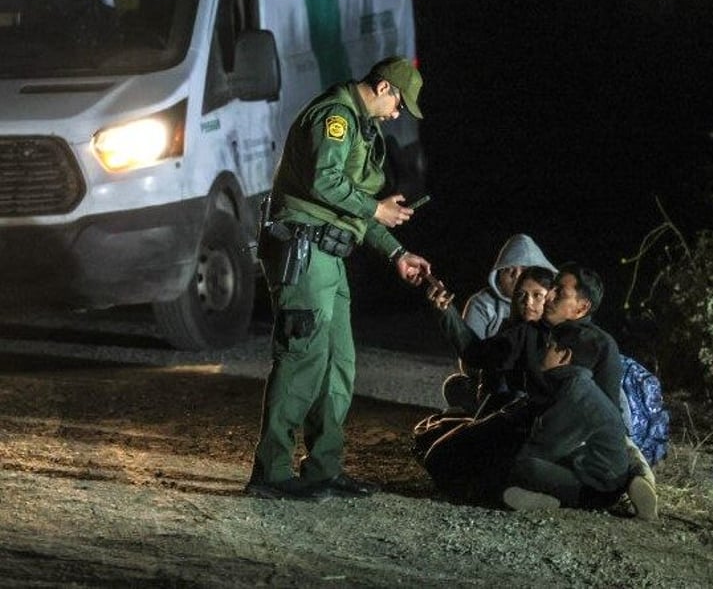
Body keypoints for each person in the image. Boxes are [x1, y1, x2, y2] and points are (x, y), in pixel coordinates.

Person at [246, 56, 431, 500]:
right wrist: (376, 208)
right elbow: (324, 181)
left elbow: (350, 205)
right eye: (400, 104)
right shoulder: (335, 117)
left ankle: (323, 469)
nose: (398, 114)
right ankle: (270, 473)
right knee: (301, 360)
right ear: (385, 88)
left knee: (338, 365)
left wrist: (397, 253)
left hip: (328, 254)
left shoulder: (359, 127)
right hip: (304, 250)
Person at [422, 263, 658, 519]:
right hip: (528, 425)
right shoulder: (529, 332)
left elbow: (603, 411)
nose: (549, 296)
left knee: (512, 465)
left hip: (566, 442)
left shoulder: (600, 346)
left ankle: (608, 485)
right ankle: (540, 492)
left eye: (560, 292)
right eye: (553, 288)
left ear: (582, 307)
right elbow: (477, 355)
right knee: (439, 456)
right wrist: (448, 313)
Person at [501, 322, 635, 513]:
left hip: (597, 488)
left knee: (522, 465)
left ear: (564, 356)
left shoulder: (576, 393)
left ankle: (555, 500)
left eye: (549, 347)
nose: (542, 352)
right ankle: (539, 497)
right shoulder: (575, 384)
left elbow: (546, 446)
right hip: (591, 474)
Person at [442, 265, 556, 415]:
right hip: (504, 402)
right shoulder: (514, 329)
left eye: (537, 295)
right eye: (521, 294)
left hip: (533, 410)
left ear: (551, 299)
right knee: (456, 385)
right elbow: (475, 354)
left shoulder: (557, 334)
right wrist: (447, 310)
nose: (528, 302)